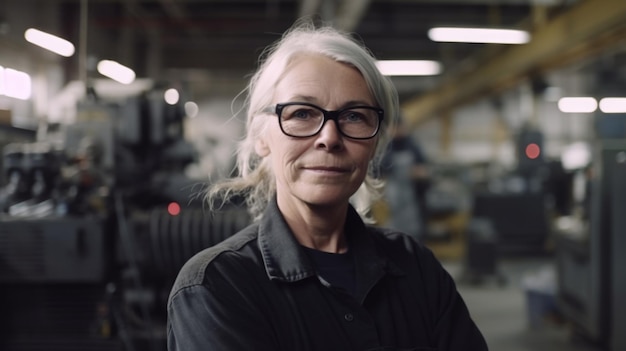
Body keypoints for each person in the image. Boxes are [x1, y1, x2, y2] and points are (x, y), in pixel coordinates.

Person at [167, 20, 488, 351]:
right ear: (262, 136)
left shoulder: (415, 267)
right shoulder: (217, 287)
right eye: (302, 113)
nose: (329, 138)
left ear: (375, 142)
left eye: (354, 116)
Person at [380, 118, 430, 240]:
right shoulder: (387, 147)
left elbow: (425, 168)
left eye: (400, 127)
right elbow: (380, 169)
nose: (397, 131)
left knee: (414, 232)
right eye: (394, 128)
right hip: (393, 197)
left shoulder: (413, 146)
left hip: (412, 197)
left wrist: (421, 173)